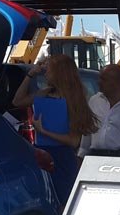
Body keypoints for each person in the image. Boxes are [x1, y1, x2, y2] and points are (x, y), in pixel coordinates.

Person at [12, 54, 99, 206]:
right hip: (42, 155)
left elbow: (73, 141)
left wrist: (43, 131)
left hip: (62, 158)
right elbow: (17, 101)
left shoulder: (74, 100)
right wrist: (31, 74)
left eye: (49, 70)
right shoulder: (44, 93)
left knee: (62, 202)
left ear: (59, 73)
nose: (45, 73)